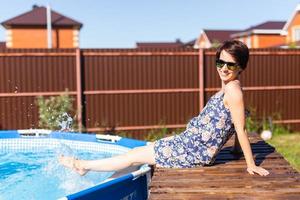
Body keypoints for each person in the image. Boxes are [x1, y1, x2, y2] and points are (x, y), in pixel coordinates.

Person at [59, 40, 270, 176]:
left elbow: (240, 128)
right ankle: (106, 186)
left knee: (134, 157)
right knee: (136, 152)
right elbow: (233, 122)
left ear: (241, 67)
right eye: (220, 63)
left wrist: (250, 164)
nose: (224, 68)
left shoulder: (234, 91)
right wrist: (234, 151)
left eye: (230, 65)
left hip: (194, 152)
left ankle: (84, 165)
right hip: (189, 142)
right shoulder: (228, 87)